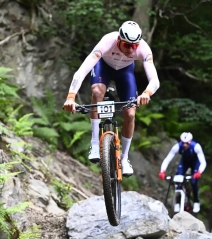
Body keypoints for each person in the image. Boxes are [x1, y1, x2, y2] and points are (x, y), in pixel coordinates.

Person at [63, 21, 160, 177]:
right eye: (127, 45)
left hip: (125, 72)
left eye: (134, 46)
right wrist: (71, 96)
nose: (131, 49)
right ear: (119, 40)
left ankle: (124, 157)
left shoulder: (143, 48)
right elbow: (82, 71)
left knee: (130, 114)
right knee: (96, 92)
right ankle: (95, 144)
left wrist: (146, 93)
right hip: (104, 67)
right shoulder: (108, 41)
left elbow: (154, 80)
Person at [158, 132, 207, 213]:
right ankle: (177, 201)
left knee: (193, 181)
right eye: (183, 143)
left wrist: (199, 172)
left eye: (187, 143)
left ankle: (196, 201)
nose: (184, 145)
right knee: (178, 179)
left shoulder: (196, 147)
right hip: (184, 162)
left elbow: (203, 162)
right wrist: (162, 171)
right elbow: (167, 159)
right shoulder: (177, 147)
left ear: (190, 141)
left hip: (195, 163)